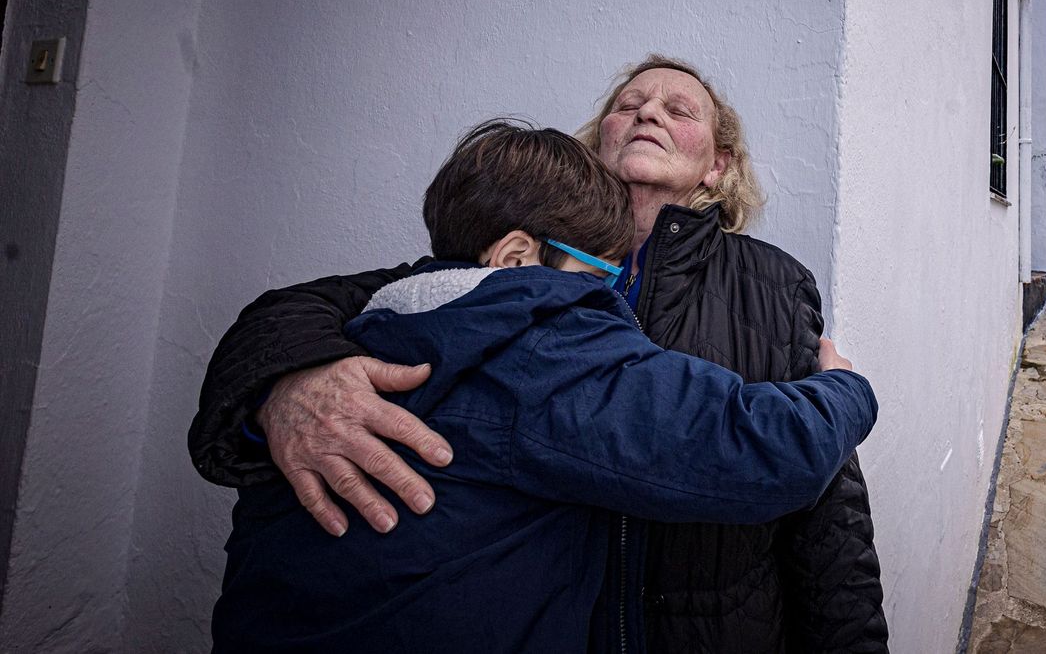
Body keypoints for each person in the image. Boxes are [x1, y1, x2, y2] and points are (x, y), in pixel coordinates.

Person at [189, 55, 888, 652]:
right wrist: (289, 382)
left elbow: (829, 511)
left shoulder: (771, 283)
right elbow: (293, 311)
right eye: (628, 104)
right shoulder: (499, 281)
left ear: (718, 167)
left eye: (680, 109)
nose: (648, 113)